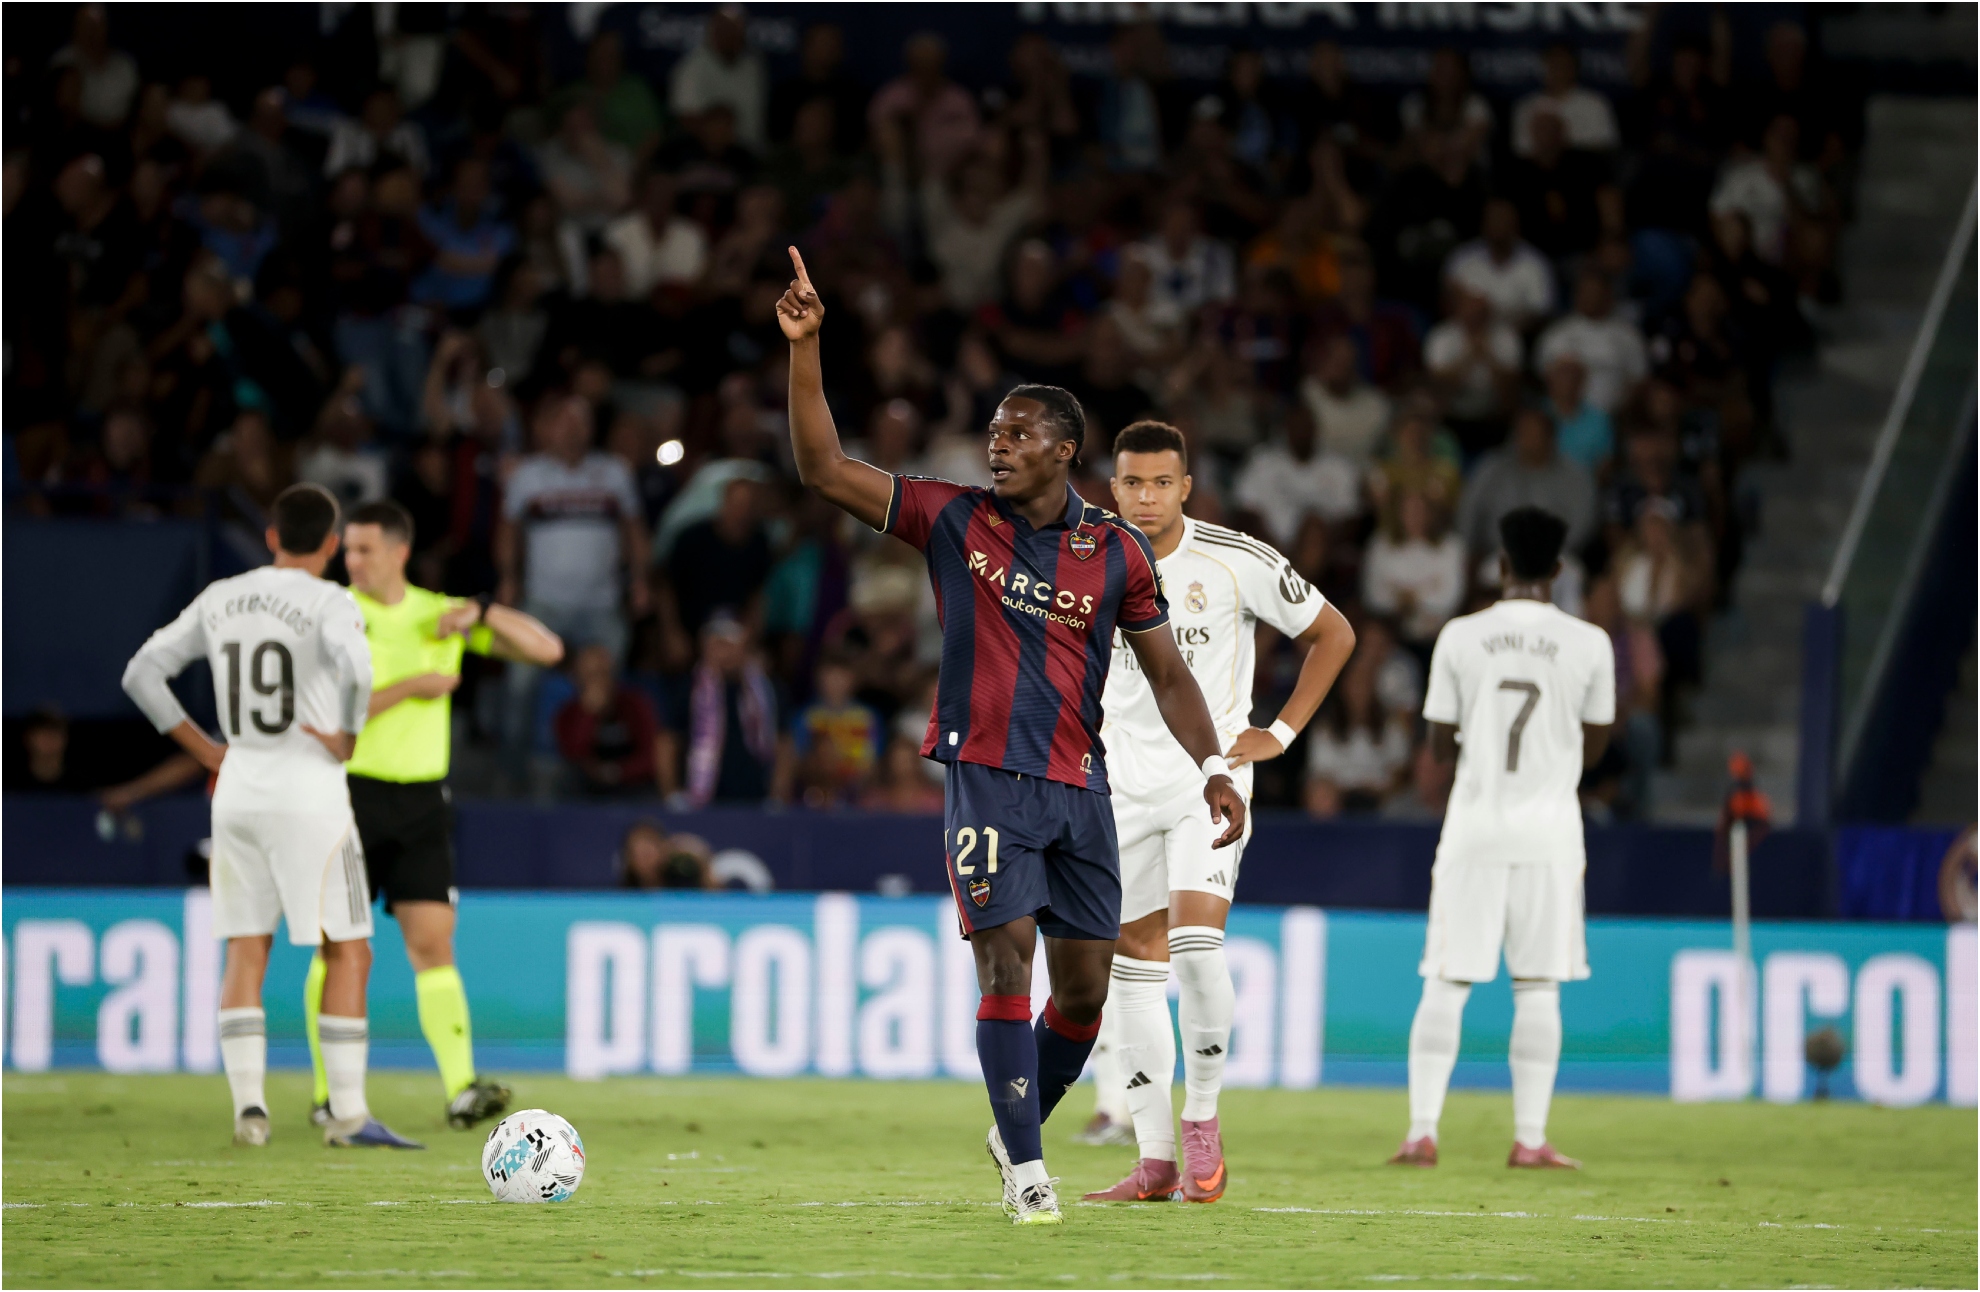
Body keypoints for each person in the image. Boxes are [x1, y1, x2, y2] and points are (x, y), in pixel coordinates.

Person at [776, 246, 1245, 1226]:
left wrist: (1213, 765)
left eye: (1019, 433)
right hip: (987, 775)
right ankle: (1029, 1171)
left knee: (1083, 994)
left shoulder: (1116, 552)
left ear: (1064, 450)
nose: (998, 446)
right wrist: (807, 347)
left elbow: (1168, 673)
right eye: (994, 432)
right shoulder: (954, 520)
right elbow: (823, 469)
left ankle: (1015, 1122)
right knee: (1005, 962)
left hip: (1082, 788)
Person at [1083, 420, 1355, 1204]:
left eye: (1162, 483)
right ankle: (1154, 1158)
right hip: (1119, 785)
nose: (1147, 497)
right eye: (1133, 483)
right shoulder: (1086, 559)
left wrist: (1280, 733)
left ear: (1187, 488)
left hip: (1209, 781)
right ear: (1114, 488)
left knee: (1197, 948)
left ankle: (1202, 1118)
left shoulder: (1237, 560)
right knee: (1132, 963)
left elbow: (1333, 633)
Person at [119, 484, 419, 1149]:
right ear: (332, 545)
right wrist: (348, 734)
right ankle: (348, 1115)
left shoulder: (222, 596)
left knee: (246, 947)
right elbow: (358, 671)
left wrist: (206, 751)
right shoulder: (331, 601)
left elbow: (141, 673)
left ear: (272, 537)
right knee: (349, 948)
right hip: (310, 790)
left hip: (238, 789)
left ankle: (249, 1111)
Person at [301, 499, 563, 1130]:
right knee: (339, 948)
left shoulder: (437, 614)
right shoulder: (333, 615)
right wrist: (414, 687)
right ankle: (327, 1093)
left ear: (400, 552)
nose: (351, 561)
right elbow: (327, 716)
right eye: (348, 550)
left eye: (364, 549)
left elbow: (548, 650)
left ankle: (461, 1089)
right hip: (348, 795)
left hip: (421, 802)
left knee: (434, 943)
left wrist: (482, 611)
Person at [1389, 506, 1615, 1170]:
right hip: (1549, 836)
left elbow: (1438, 744)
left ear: (1501, 565)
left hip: (1474, 831)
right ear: (1560, 569)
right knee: (1538, 986)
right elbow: (1598, 746)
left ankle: (1422, 1132)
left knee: (1446, 981)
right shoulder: (1590, 643)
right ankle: (1530, 1138)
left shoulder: (1460, 636)